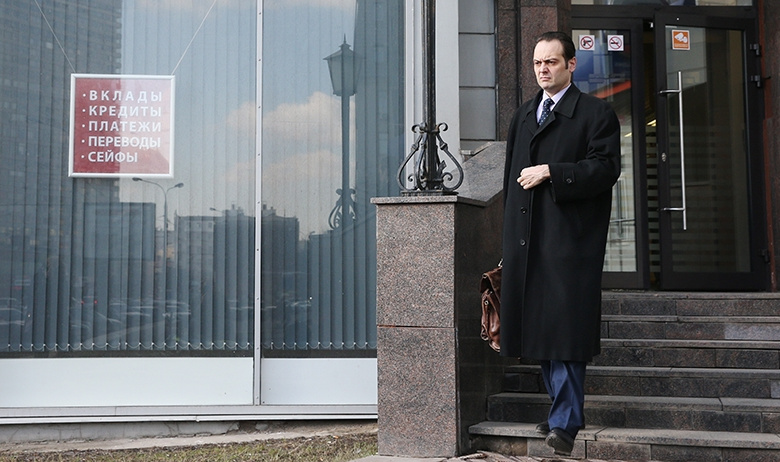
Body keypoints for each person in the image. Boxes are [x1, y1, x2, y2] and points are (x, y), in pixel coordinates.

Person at [500, 31, 621, 456]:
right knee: (542, 332)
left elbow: (605, 169)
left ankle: (565, 423)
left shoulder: (596, 113)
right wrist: (508, 245)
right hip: (527, 242)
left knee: (565, 333)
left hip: (570, 242)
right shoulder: (523, 115)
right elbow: (510, 183)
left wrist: (553, 171)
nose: (543, 70)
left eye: (551, 62)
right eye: (537, 63)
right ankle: (560, 412)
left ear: (572, 64)